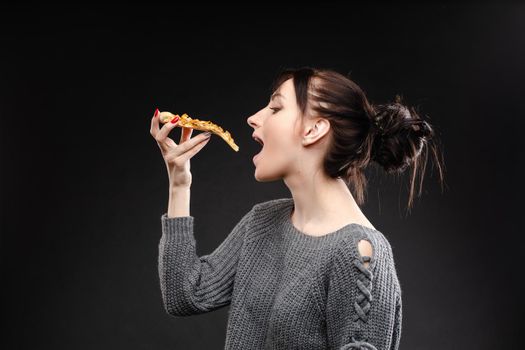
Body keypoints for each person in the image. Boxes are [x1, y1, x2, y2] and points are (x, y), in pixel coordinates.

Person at [150, 66, 445, 349]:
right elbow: (185, 295)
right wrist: (179, 184)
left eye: (276, 108)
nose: (253, 118)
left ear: (314, 129)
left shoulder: (360, 254)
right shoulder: (263, 221)